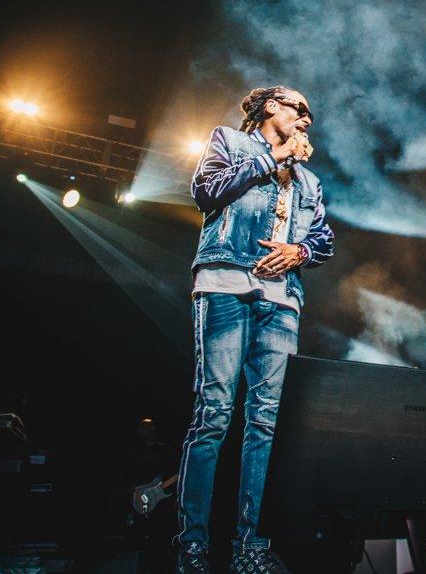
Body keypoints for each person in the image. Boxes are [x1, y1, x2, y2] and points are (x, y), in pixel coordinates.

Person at [175, 86, 334, 574]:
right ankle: (192, 545)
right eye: (298, 109)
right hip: (225, 282)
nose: (306, 119)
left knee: (266, 424)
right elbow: (206, 192)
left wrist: (300, 253)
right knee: (215, 414)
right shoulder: (230, 142)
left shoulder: (309, 181)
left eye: (309, 114)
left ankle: (252, 546)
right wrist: (271, 156)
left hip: (281, 301)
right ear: (272, 107)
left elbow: (323, 237)